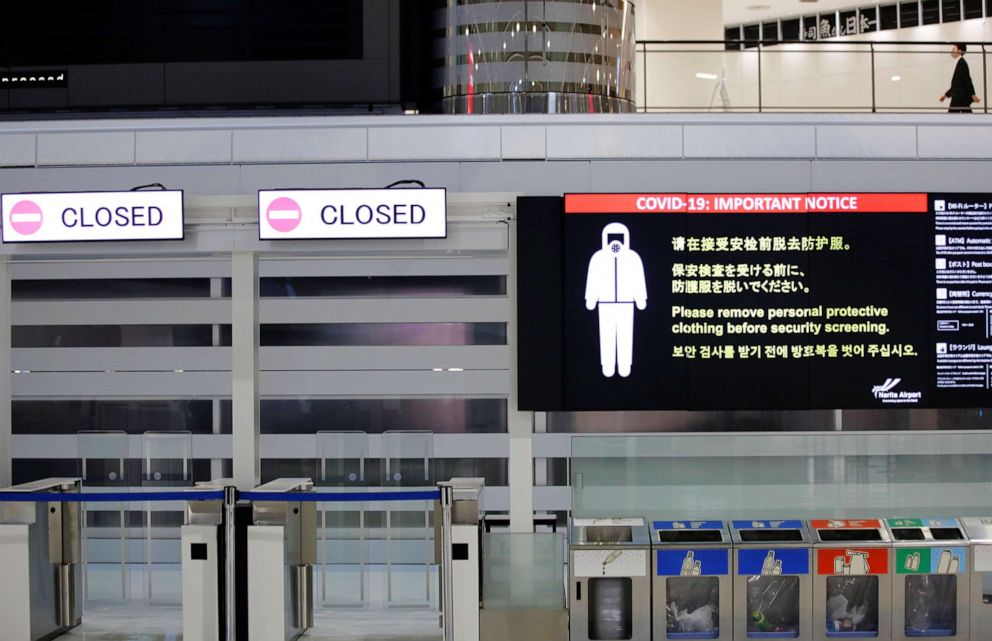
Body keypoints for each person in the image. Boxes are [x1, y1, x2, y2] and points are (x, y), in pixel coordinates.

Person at [939, 43, 980, 113]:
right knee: (966, 116)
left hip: (959, 97)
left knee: (952, 118)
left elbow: (967, 79)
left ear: (960, 51)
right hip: (959, 97)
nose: (951, 51)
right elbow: (957, 83)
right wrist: (945, 95)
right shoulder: (960, 62)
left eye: (954, 49)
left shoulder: (962, 63)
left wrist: (972, 94)